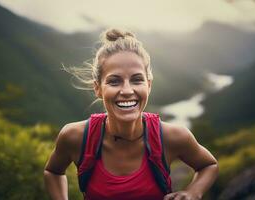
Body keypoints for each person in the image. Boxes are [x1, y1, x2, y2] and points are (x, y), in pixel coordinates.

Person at [44, 28, 219, 200]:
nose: (127, 90)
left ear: (148, 85)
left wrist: (193, 192)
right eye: (114, 81)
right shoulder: (76, 137)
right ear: (98, 88)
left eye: (137, 80)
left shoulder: (171, 137)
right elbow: (52, 171)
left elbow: (209, 165)